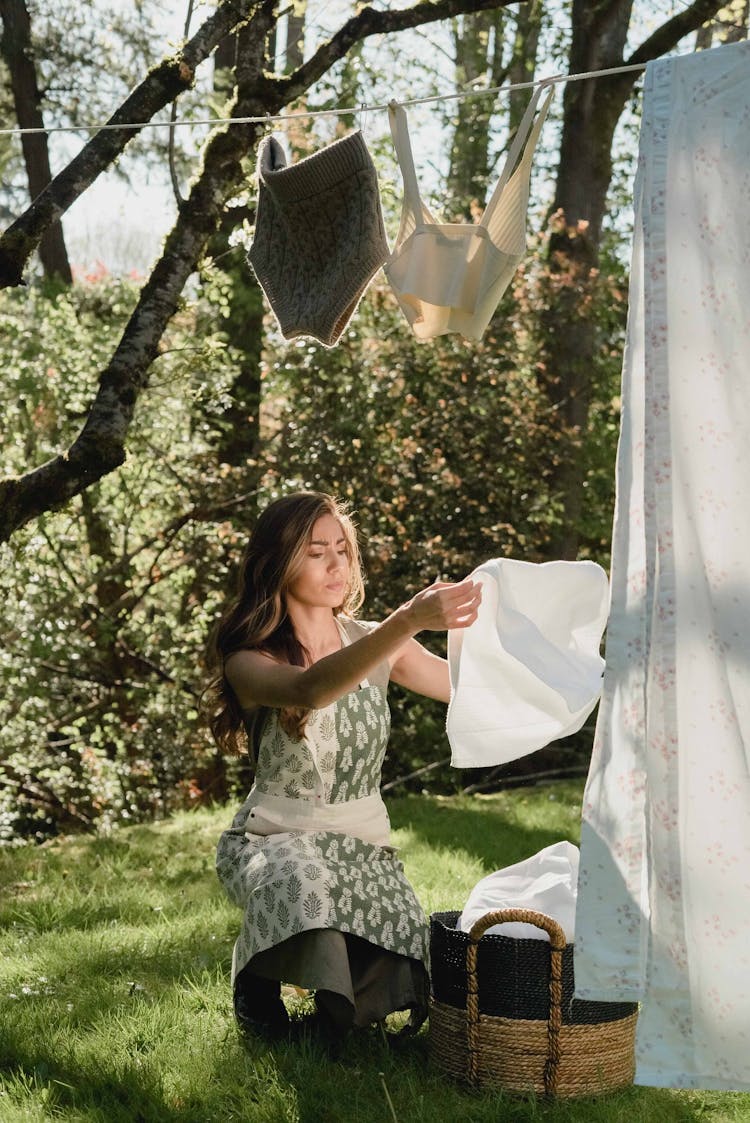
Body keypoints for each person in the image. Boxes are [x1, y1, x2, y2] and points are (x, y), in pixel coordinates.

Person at [206, 491, 481, 1042]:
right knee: (308, 883)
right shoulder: (250, 658)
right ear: (278, 562)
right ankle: (257, 986)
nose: (336, 565)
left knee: (405, 954)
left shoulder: (379, 641)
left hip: (362, 842)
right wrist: (405, 621)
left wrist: (589, 683)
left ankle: (336, 1001)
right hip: (273, 840)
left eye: (342, 549)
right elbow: (311, 689)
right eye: (316, 552)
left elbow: (467, 691)